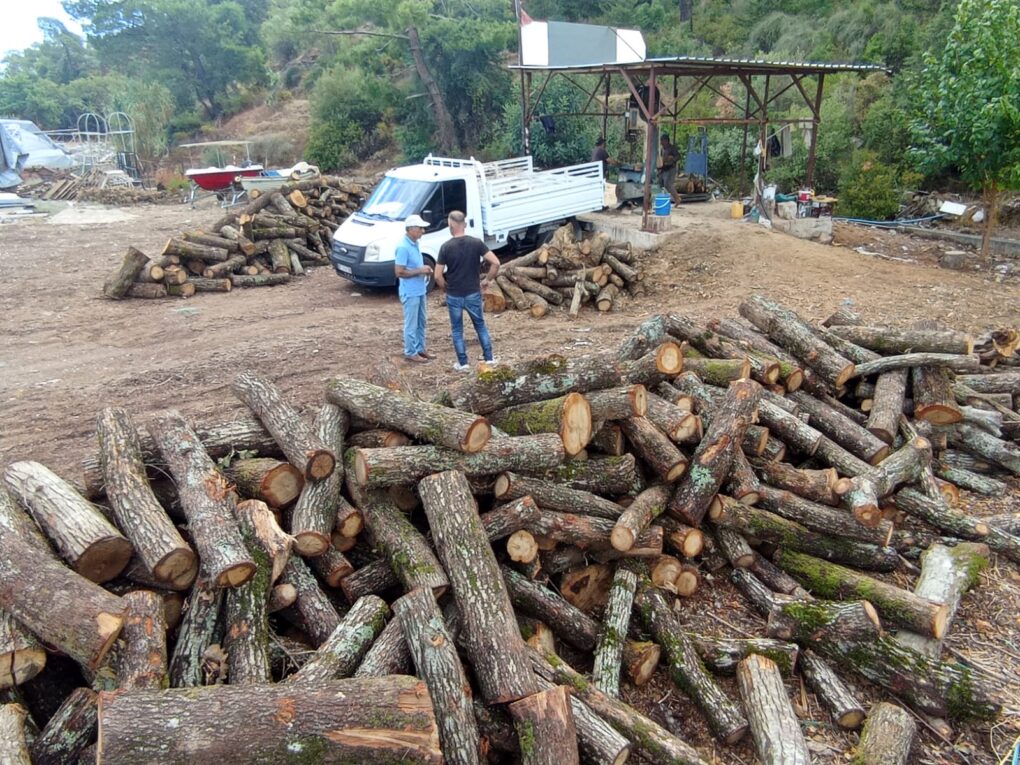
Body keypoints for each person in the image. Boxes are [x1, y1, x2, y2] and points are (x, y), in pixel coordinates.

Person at [435, 210, 500, 372]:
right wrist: (487, 280)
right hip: (472, 292)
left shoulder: (445, 247)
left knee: (457, 330)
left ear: (451, 225)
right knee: (480, 325)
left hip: (454, 294)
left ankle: (463, 363)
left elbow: (437, 275)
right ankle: (489, 358)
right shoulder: (476, 243)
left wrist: (445, 288)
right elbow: (496, 263)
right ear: (464, 224)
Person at [393, 214, 434, 364]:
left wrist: (422, 270)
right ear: (411, 229)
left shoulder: (414, 244)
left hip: (419, 290)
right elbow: (399, 272)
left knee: (421, 321)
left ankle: (420, 348)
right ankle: (410, 352)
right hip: (410, 292)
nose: (423, 231)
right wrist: (420, 270)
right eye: (420, 228)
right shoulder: (403, 247)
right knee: (411, 324)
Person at [658, 133, 680, 204]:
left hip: (671, 168)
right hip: (664, 168)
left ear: (666, 141)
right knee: (660, 182)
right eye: (661, 141)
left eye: (662, 141)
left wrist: (672, 159)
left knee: (669, 184)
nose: (661, 142)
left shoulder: (672, 148)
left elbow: (678, 156)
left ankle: (677, 199)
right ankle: (664, 198)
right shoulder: (662, 149)